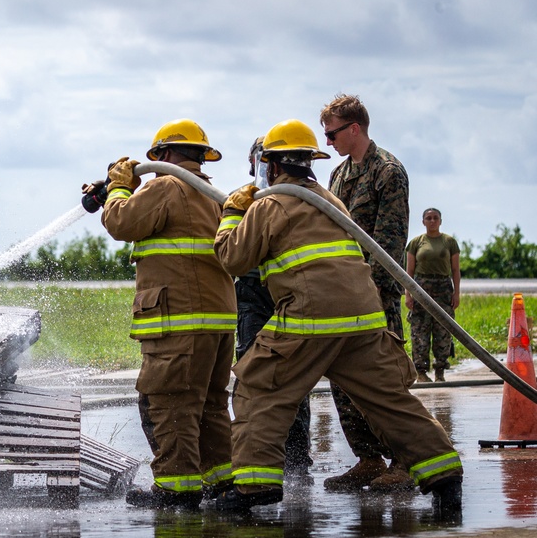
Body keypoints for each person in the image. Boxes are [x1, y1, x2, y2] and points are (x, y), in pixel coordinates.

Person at [212, 118, 463, 515]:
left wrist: (232, 211)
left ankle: (254, 487)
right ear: (309, 161)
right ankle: (445, 474)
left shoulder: (269, 204)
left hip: (310, 320)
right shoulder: (331, 200)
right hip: (364, 319)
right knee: (390, 401)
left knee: (258, 389)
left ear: (271, 166)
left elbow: (231, 258)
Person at [96, 118, 237, 510]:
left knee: (169, 403)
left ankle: (177, 488)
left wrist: (120, 187)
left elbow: (122, 221)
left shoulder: (165, 186)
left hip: (179, 326)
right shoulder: (213, 196)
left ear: (163, 156)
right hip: (218, 324)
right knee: (209, 406)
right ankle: (219, 482)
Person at [320, 94, 413, 492]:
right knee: (344, 383)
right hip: (344, 296)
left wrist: (366, 293)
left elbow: (388, 246)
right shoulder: (338, 176)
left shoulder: (388, 173)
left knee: (384, 382)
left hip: (374, 299)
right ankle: (369, 459)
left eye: (333, 133)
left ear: (354, 128)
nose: (328, 142)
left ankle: (406, 461)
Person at [235, 137, 313, 484]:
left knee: (294, 374)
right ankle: (260, 459)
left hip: (289, 292)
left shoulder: (304, 196)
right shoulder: (241, 199)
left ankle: (295, 458)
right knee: (256, 371)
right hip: (253, 292)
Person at [406, 208, 461, 383]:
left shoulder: (449, 242)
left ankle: (440, 372)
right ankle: (421, 372)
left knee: (443, 331)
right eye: (428, 218)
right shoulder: (416, 243)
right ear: (423, 221)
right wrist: (408, 294)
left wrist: (457, 293)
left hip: (443, 288)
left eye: (435, 218)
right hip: (421, 288)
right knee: (420, 332)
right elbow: (409, 271)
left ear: (440, 221)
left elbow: (455, 270)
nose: (432, 221)